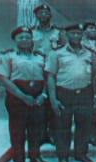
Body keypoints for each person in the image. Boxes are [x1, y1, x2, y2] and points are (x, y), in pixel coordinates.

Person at [0, 27, 50, 162]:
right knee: (18, 131)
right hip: (17, 98)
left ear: (32, 39)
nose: (24, 40)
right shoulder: (8, 56)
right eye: (21, 37)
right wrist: (22, 96)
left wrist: (42, 95)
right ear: (15, 40)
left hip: (37, 98)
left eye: (27, 37)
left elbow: (47, 78)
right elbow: (3, 78)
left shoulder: (40, 57)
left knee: (36, 130)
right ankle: (19, 161)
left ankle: (35, 156)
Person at [45, 24, 96, 162]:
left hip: (85, 93)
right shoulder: (56, 54)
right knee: (62, 127)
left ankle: (81, 154)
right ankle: (63, 156)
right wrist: (53, 99)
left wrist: (95, 95)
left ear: (82, 36)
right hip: (64, 93)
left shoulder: (90, 54)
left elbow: (93, 76)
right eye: (73, 33)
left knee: (84, 126)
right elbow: (50, 77)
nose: (76, 36)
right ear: (66, 35)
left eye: (79, 34)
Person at [32, 4, 63, 145]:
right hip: (37, 70)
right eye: (40, 13)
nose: (43, 16)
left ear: (50, 16)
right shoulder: (32, 32)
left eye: (46, 13)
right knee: (39, 104)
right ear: (36, 16)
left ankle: (52, 134)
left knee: (53, 102)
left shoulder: (58, 33)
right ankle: (40, 134)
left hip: (54, 71)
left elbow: (63, 50)